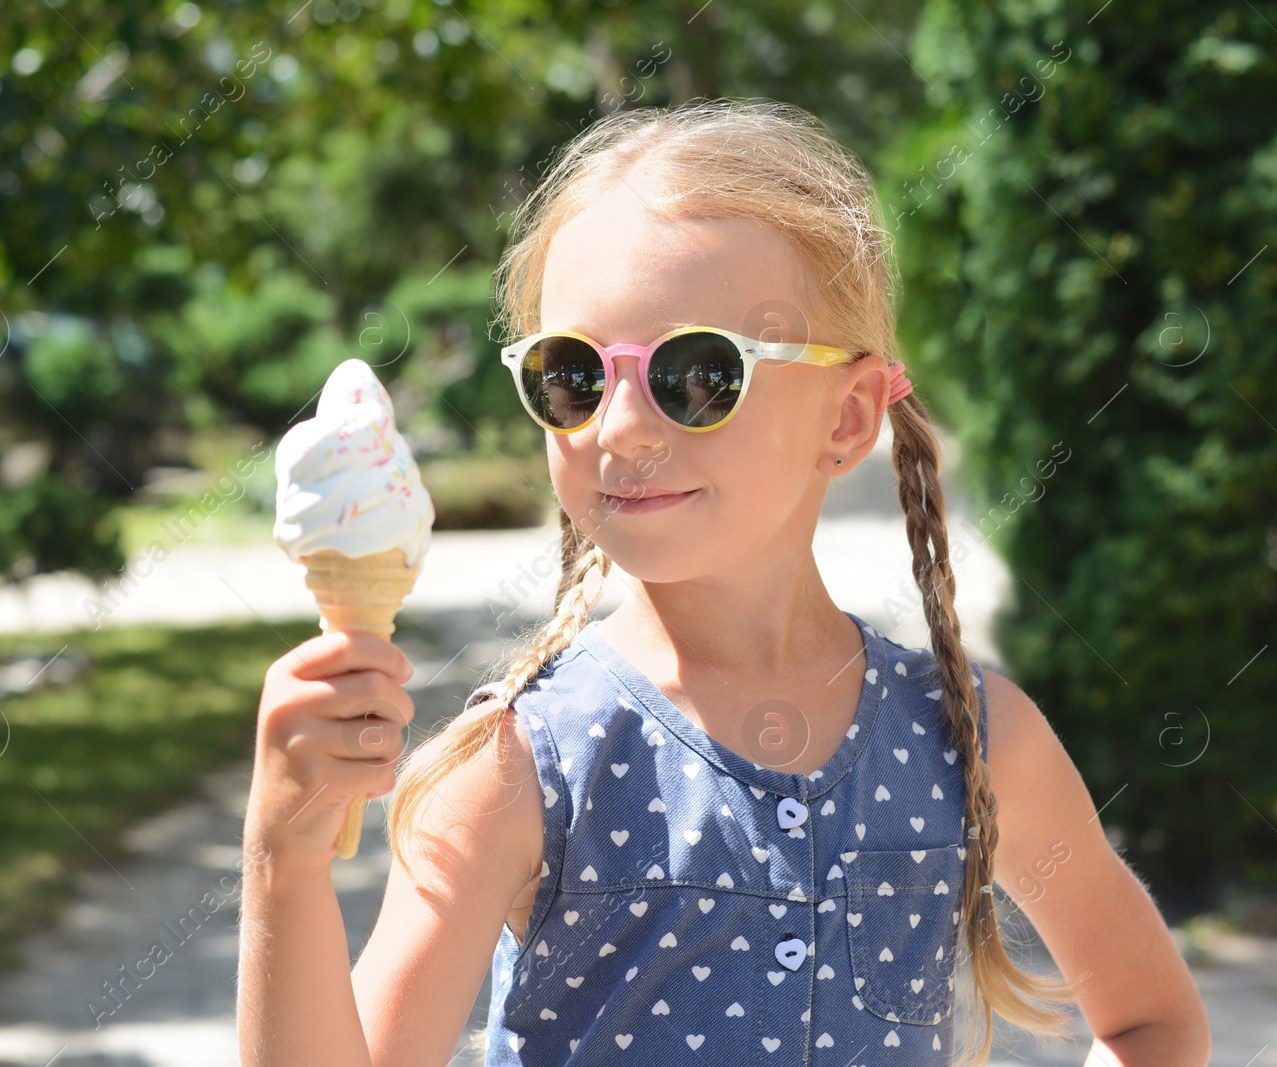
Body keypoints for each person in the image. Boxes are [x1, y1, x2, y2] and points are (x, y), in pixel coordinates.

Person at [238, 98, 1210, 1067]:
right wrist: (283, 858)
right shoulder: (514, 770)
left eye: (697, 374)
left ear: (848, 414)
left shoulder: (970, 740)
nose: (616, 427)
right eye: (573, 374)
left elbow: (1150, 1021)